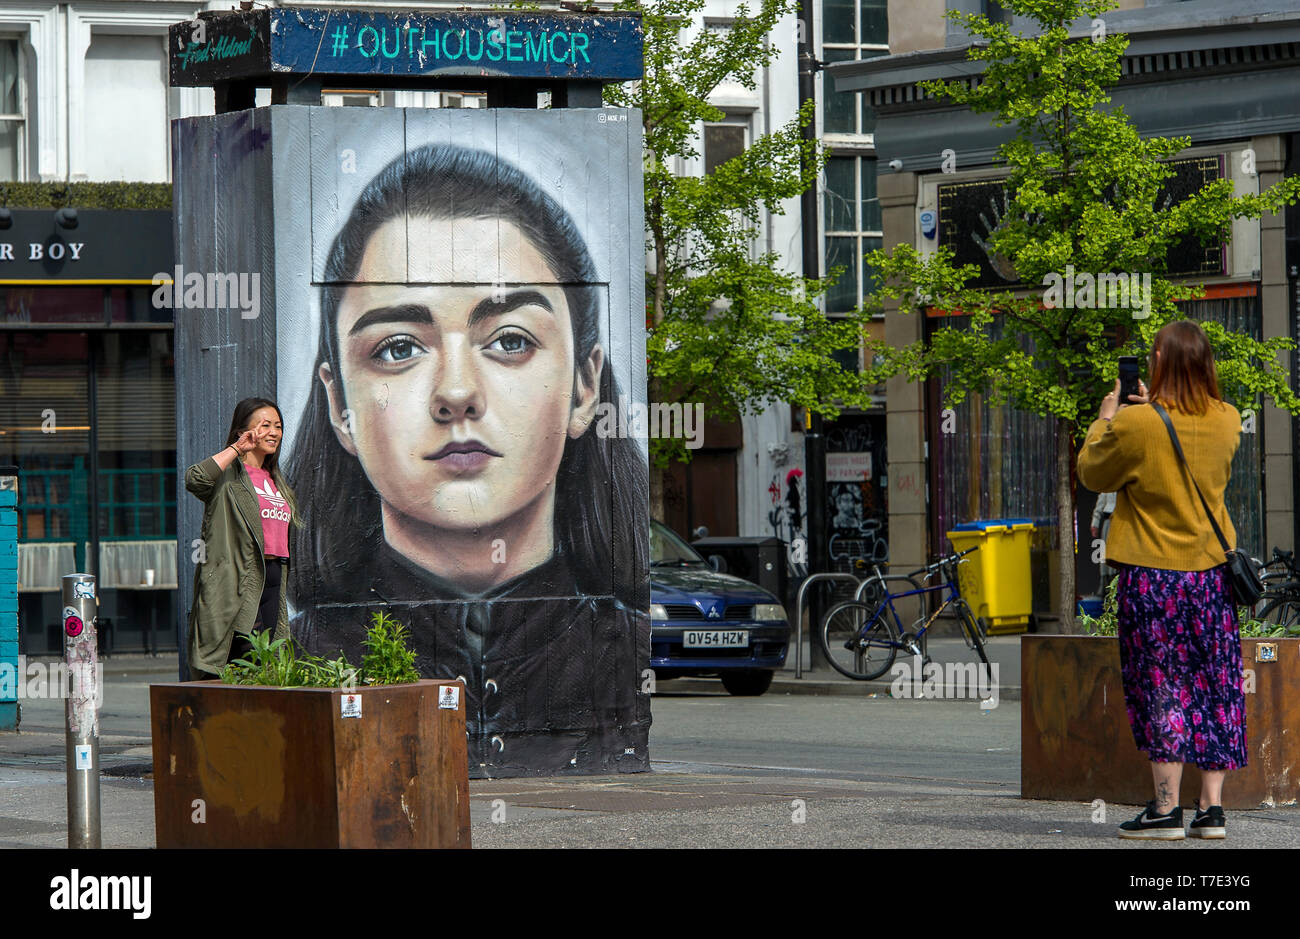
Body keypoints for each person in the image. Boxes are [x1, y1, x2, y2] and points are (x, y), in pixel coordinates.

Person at [285, 143, 649, 775]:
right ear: (339, 403)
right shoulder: (295, 666)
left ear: (584, 388)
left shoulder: (631, 655)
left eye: (510, 340)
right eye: (398, 348)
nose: (456, 392)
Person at [1077, 320, 1245, 841]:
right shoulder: (1229, 419)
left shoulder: (1137, 422)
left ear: (1159, 362)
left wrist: (1107, 418)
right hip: (1213, 576)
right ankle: (1211, 811)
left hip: (1153, 580)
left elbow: (1092, 472)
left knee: (1164, 686)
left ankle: (1165, 812)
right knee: (1215, 685)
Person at [184, 398, 299, 679]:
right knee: (238, 656)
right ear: (243, 432)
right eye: (265, 426)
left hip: (274, 578)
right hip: (239, 577)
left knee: (268, 657)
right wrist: (237, 449)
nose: (274, 432)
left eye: (278, 426)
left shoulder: (275, 479)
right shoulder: (229, 478)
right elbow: (195, 479)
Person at [1090, 489, 1117, 592]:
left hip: (1122, 522)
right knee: (1104, 553)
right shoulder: (1108, 483)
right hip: (1109, 521)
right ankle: (1105, 583)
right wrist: (1095, 523)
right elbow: (1101, 502)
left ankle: (1117, 583)